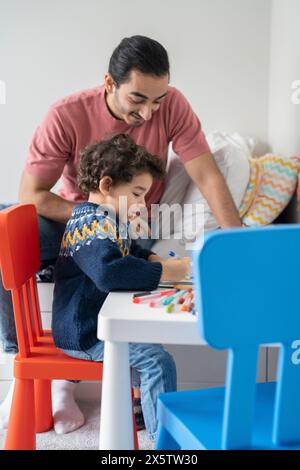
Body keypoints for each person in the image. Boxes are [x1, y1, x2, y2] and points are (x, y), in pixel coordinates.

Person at [0, 35, 242, 434]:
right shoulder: (65, 114)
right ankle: (25, 368)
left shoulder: (172, 104)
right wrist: (100, 217)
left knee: (116, 265)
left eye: (158, 101)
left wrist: (237, 243)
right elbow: (34, 196)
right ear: (109, 85)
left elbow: (206, 174)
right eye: (138, 100)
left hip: (125, 220)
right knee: (9, 228)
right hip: (75, 213)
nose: (149, 113)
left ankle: (81, 377)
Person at [52, 133, 191, 441]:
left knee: (152, 344)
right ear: (106, 185)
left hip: (90, 326)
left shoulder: (105, 220)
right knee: (156, 361)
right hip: (85, 334)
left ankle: (150, 412)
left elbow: (124, 251)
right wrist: (165, 269)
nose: (143, 202)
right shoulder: (90, 224)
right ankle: (164, 440)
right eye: (138, 193)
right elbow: (109, 271)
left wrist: (150, 256)